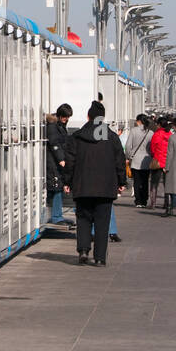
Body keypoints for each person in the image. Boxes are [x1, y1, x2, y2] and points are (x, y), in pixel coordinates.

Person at [64, 100, 127, 265]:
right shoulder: (112, 137)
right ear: (103, 118)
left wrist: (67, 181)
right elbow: (119, 160)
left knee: (83, 219)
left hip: (82, 185)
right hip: (105, 187)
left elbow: (70, 162)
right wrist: (121, 181)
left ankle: (83, 250)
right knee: (102, 221)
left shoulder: (77, 137)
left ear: (88, 116)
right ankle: (99, 257)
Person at [45, 104, 74, 228]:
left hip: (57, 161)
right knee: (56, 187)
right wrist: (61, 159)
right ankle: (56, 216)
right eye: (65, 117)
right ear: (60, 115)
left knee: (59, 187)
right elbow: (54, 144)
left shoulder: (60, 125)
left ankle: (57, 215)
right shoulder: (53, 126)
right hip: (53, 162)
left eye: (68, 117)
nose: (66, 119)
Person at [124, 113, 153, 209]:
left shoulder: (134, 131)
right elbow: (153, 147)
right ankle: (144, 200)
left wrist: (128, 156)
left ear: (138, 121)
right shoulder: (150, 133)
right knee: (145, 181)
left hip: (136, 159)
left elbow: (128, 145)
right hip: (147, 159)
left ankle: (138, 201)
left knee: (136, 181)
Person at [148, 117, 172, 210]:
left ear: (159, 125)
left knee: (154, 183)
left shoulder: (157, 134)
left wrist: (154, 155)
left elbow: (153, 148)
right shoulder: (170, 134)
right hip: (167, 162)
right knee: (167, 184)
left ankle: (153, 203)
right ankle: (167, 203)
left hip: (157, 161)